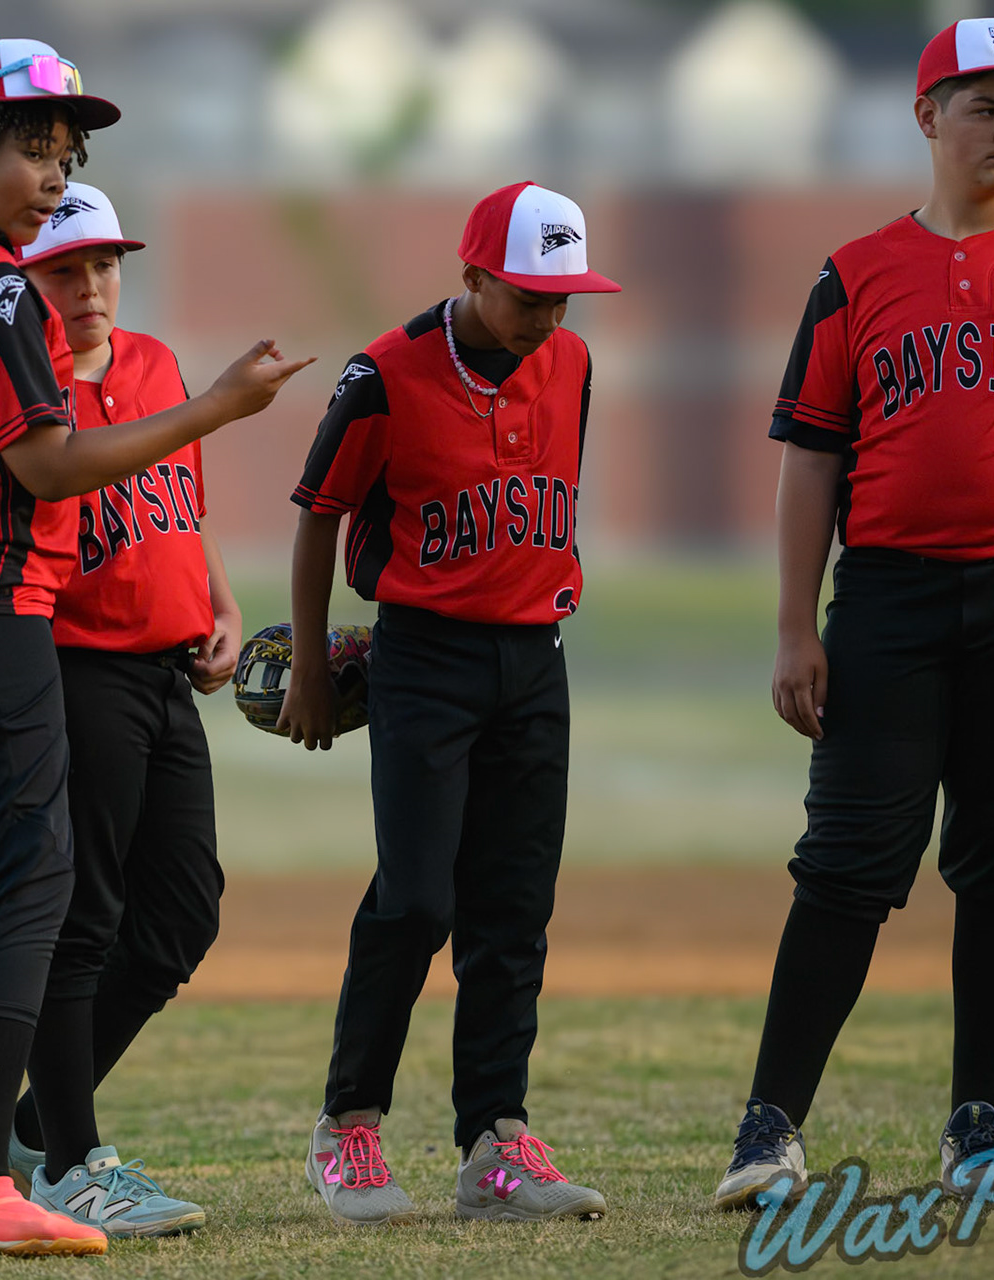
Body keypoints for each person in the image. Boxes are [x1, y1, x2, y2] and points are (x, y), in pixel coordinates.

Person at [0, 40, 311, 1255]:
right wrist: (213, 407)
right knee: (25, 882)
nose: (52, 172)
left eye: (64, 151)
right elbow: (44, 464)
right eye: (31, 144)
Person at [712, 18, 994, 1211]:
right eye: (985, 104)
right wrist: (795, 624)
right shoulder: (855, 275)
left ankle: (977, 1126)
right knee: (848, 865)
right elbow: (811, 459)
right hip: (892, 596)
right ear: (926, 118)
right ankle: (768, 1127)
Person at [278, 182, 621, 1226]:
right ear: (470, 278)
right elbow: (318, 516)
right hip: (424, 659)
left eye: (564, 295)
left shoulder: (571, 362)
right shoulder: (384, 375)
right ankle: (348, 1125)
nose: (549, 316)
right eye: (527, 295)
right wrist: (305, 664)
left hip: (536, 659)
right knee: (418, 899)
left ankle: (496, 1142)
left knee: (513, 909)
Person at [0, 183, 236, 1237]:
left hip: (169, 669)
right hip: (77, 664)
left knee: (182, 910)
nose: (89, 285)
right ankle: (70, 1160)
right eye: (62, 268)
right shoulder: (20, 383)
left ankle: (34, 1122)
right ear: (25, 282)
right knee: (84, 915)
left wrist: (219, 596)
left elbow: (180, 493)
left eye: (103, 263)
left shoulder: (155, 364)